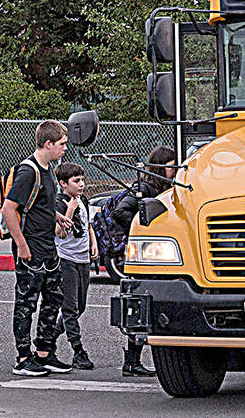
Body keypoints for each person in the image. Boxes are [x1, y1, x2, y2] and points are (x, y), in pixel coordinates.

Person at [1, 119, 73, 377]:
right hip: (30, 249)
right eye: (62, 144)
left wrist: (57, 216)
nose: (65, 148)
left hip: (48, 247)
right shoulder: (27, 171)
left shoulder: (49, 169)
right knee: (26, 303)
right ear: (48, 143)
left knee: (54, 297)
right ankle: (23, 357)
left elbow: (42, 203)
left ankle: (44, 351)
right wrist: (21, 245)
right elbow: (10, 209)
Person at [110, 145, 178, 376]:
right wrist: (143, 230)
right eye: (170, 167)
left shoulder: (169, 187)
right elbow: (120, 212)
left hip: (163, 253)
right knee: (140, 306)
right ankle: (131, 361)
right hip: (149, 253)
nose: (174, 171)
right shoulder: (145, 188)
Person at [54, 162, 97, 370]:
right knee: (70, 308)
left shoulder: (83, 201)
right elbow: (60, 233)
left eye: (82, 180)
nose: (81, 185)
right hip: (66, 259)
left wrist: (93, 242)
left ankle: (49, 337)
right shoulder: (60, 203)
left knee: (80, 306)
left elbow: (87, 224)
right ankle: (78, 351)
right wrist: (69, 211)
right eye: (76, 181)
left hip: (83, 259)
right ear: (63, 183)